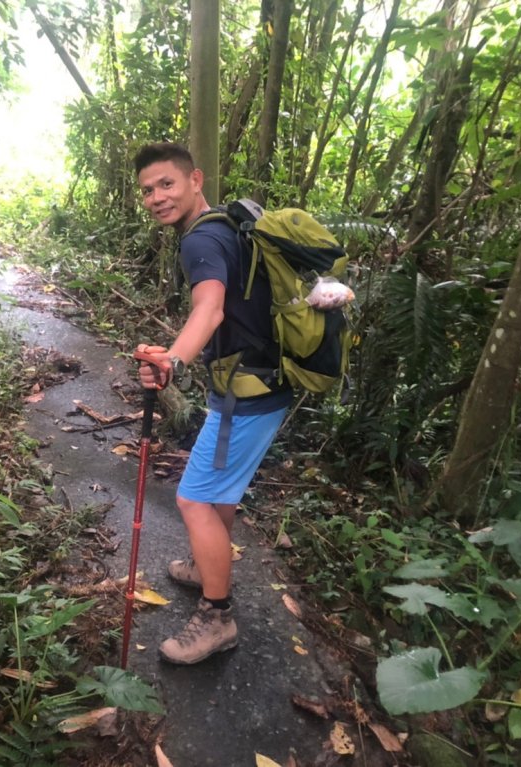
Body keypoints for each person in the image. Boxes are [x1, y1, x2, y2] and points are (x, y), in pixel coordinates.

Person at [132, 142, 293, 664]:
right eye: (148, 190)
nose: (157, 197)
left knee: (194, 499)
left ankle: (217, 617)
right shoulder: (227, 225)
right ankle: (208, 567)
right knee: (218, 494)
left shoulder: (201, 240)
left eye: (167, 184)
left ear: (195, 179)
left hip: (248, 391)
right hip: (261, 382)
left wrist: (171, 362)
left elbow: (210, 309)